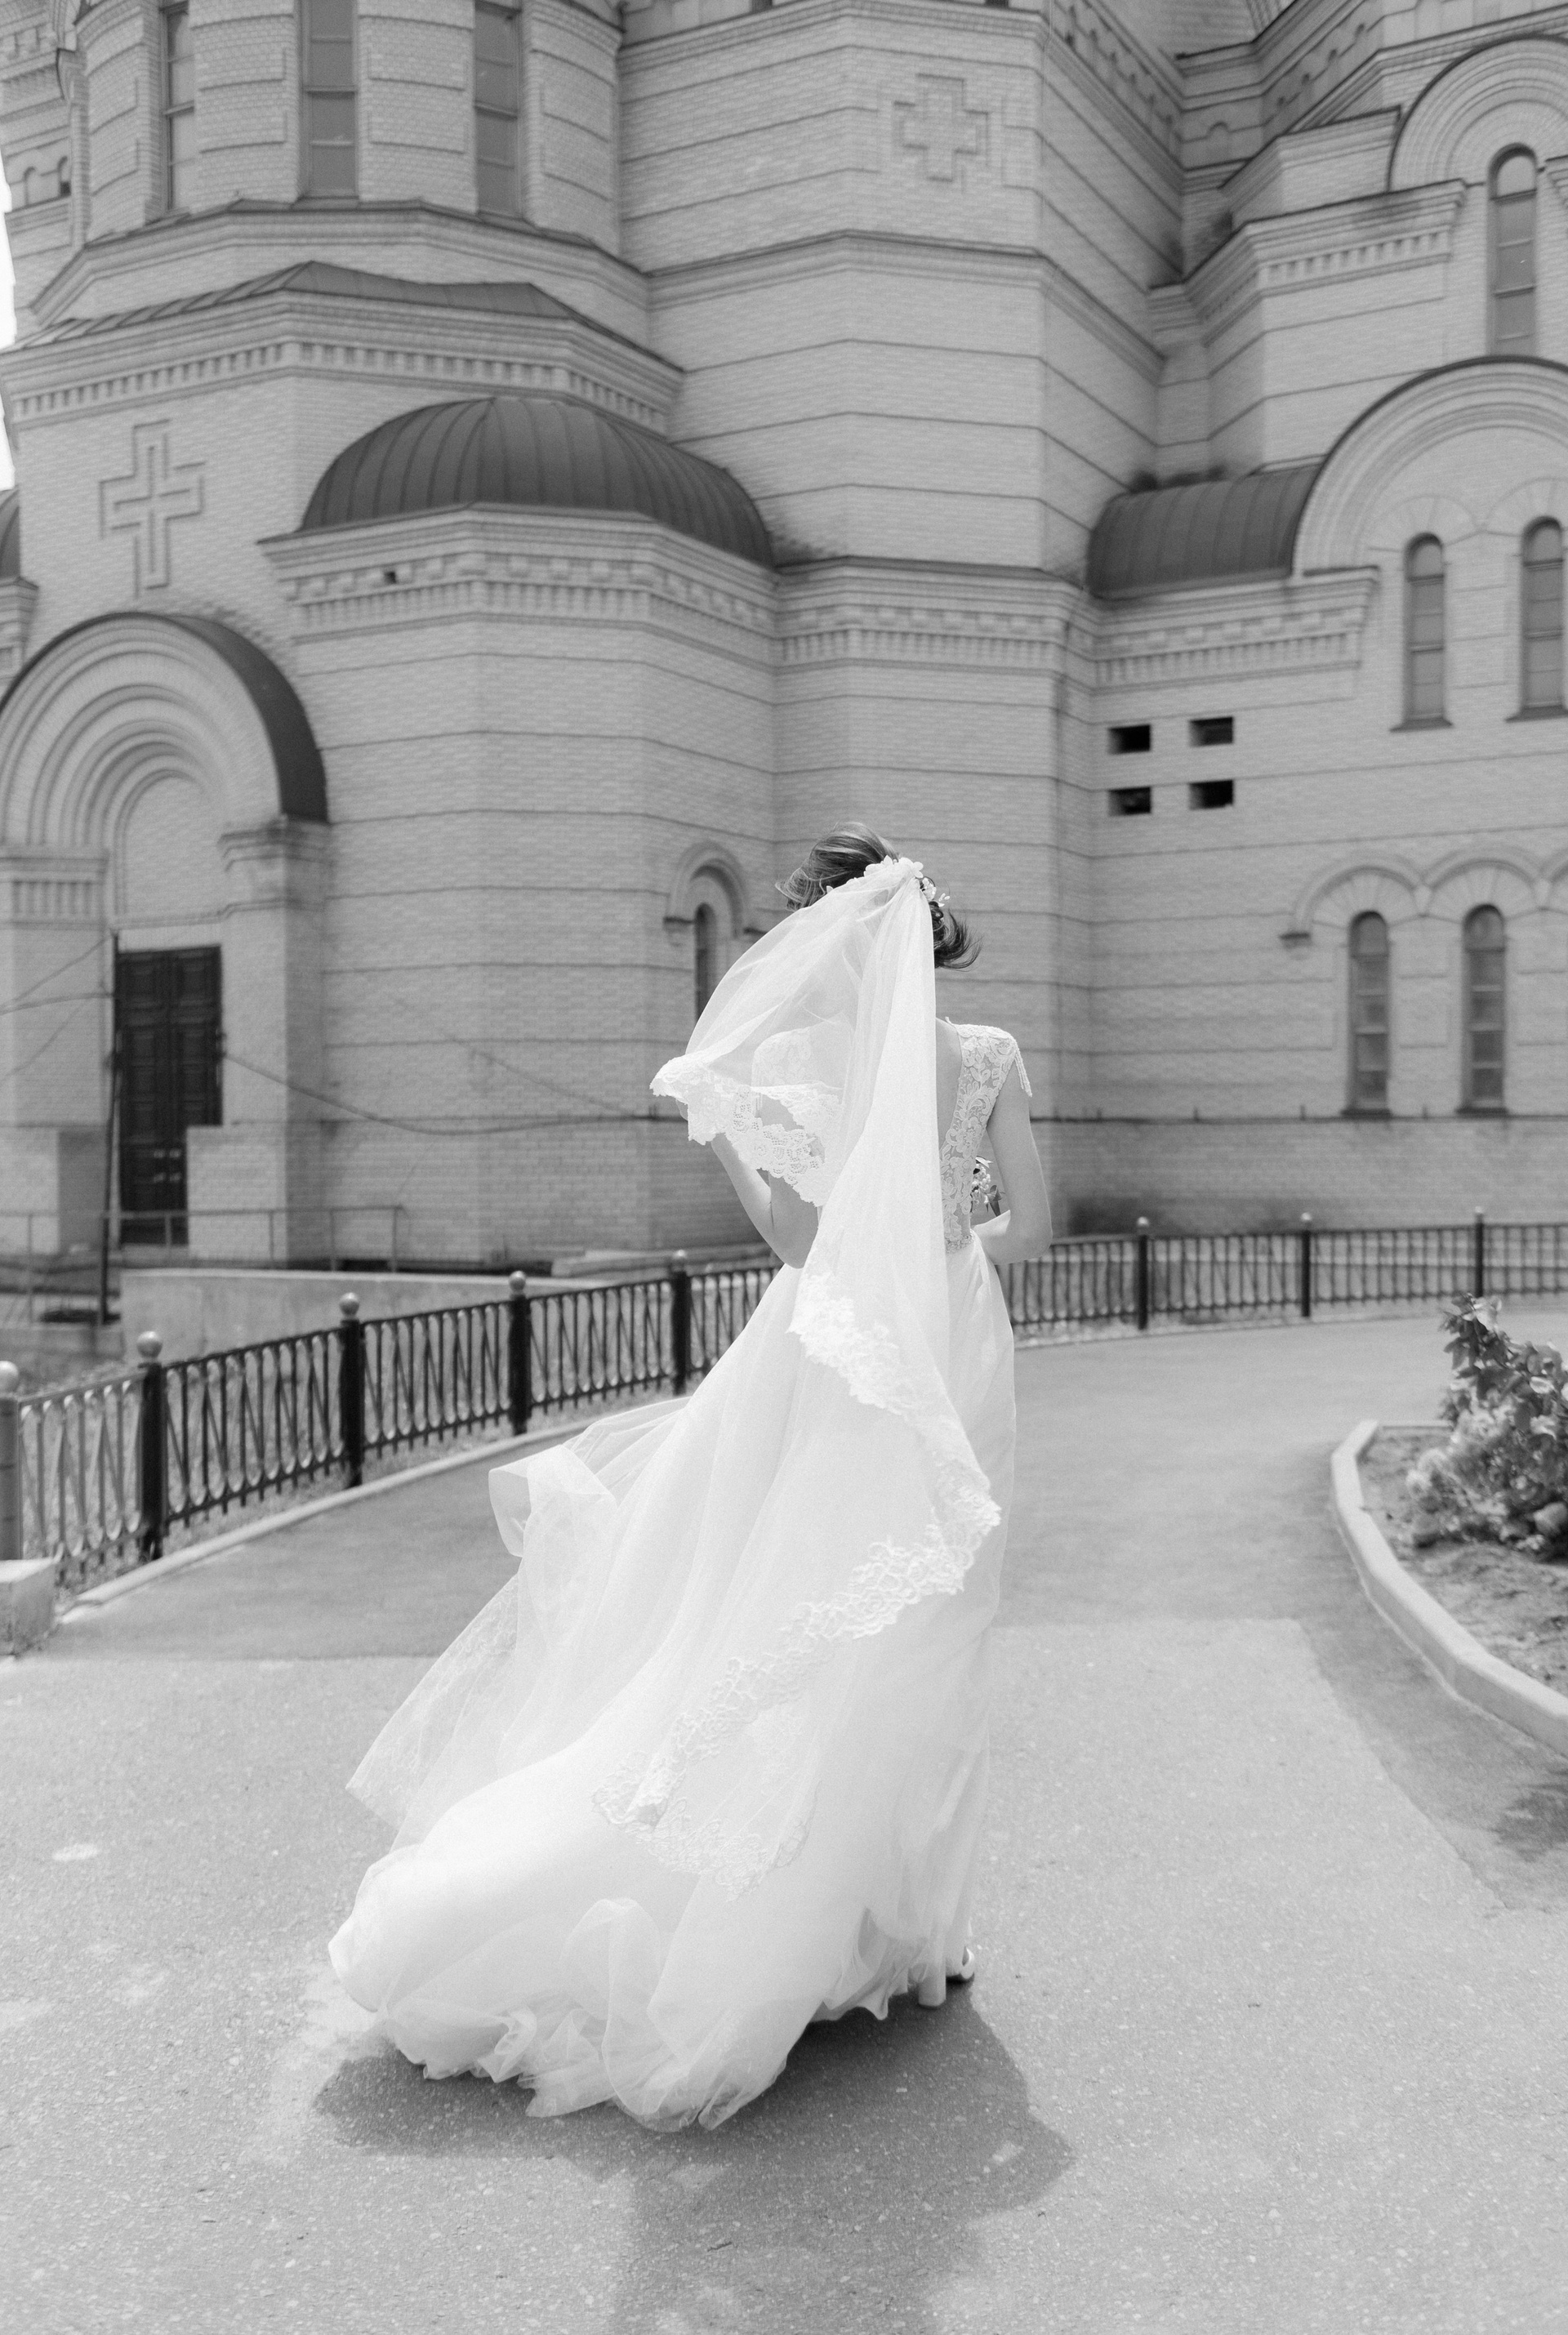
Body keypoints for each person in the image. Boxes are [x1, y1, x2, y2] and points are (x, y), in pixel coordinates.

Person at [328, 825, 1052, 2131]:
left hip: (832, 1349)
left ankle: (805, 1919)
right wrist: (940, 1245)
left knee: (775, 1603)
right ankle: (913, 1935)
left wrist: (724, 1135)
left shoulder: (798, 1068)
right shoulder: (987, 1055)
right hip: (951, 1349)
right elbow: (1034, 1231)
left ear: (819, 934)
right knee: (933, 1631)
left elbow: (800, 1241)